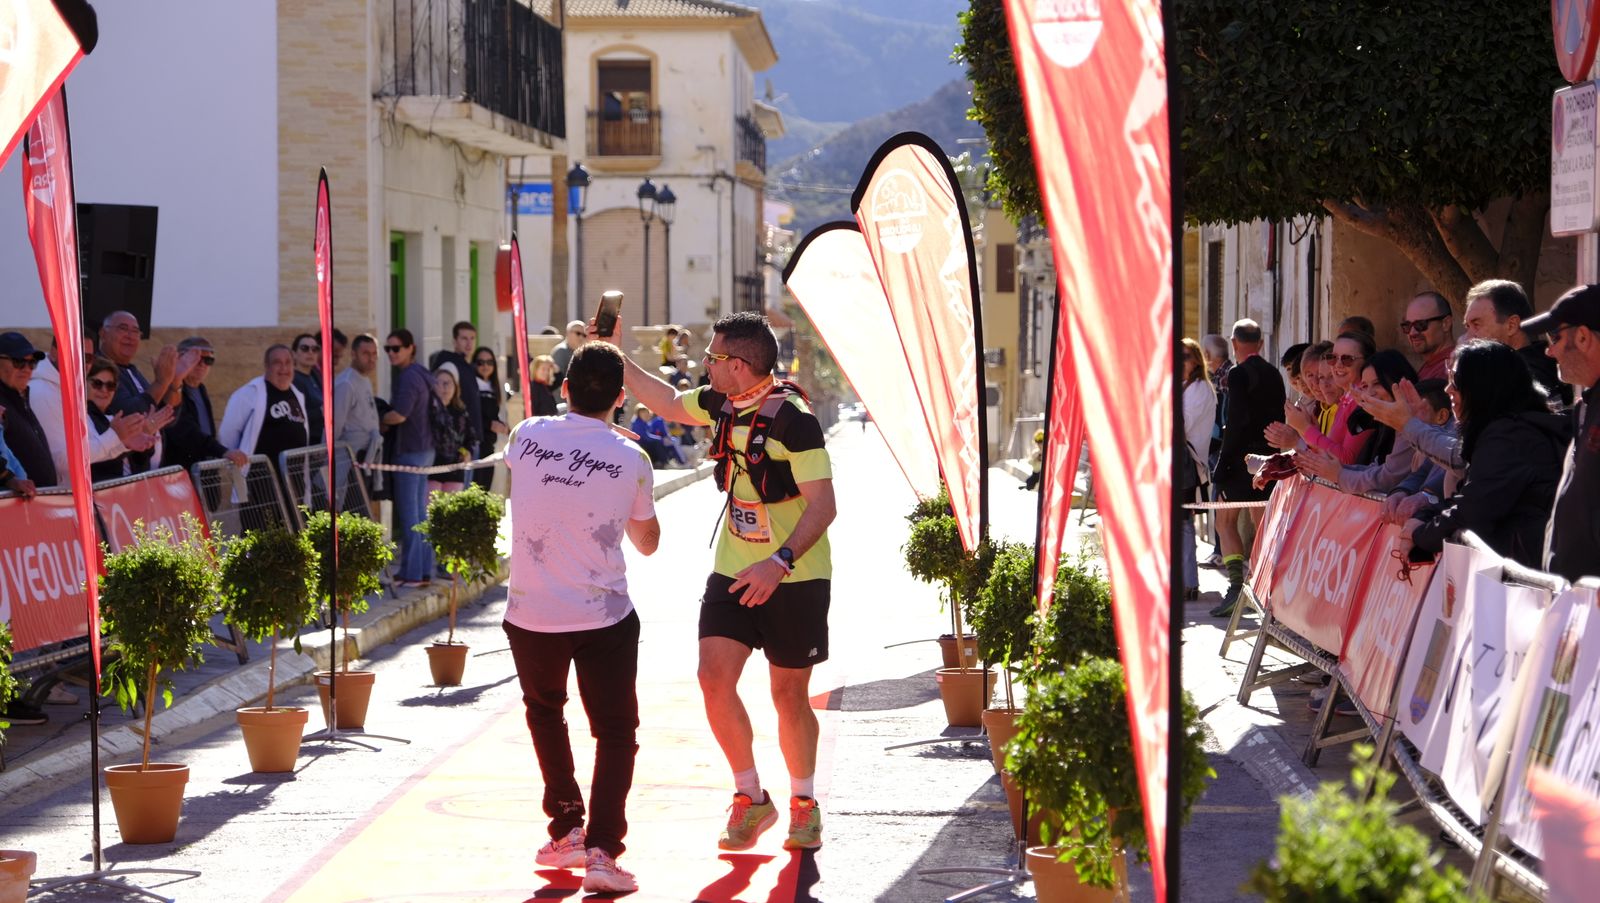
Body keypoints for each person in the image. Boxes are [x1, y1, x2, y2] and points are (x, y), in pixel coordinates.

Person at [605, 310, 836, 852]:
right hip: (733, 568)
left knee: (788, 695)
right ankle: (750, 797)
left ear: (738, 365)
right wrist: (616, 354)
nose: (704, 364)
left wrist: (778, 562)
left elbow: (824, 506)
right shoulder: (721, 402)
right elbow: (666, 400)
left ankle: (804, 804)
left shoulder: (795, 419)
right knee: (713, 678)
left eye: (713, 358)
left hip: (795, 575)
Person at [502, 342, 658, 894]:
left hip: (532, 611)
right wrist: (623, 466)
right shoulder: (632, 458)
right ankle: (602, 851)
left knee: (545, 713)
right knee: (615, 731)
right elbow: (648, 543)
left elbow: (530, 465)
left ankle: (567, 828)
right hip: (603, 614)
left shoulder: (525, 435)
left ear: (564, 388)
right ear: (622, 396)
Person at [1403, 340, 1568, 568]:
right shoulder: (1505, 430)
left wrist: (1419, 535)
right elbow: (1470, 496)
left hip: (1534, 574)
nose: (1448, 389)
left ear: (1482, 386)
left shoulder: (1510, 436)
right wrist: (1422, 519)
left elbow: (1473, 513)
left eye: (1456, 381)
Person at [1521, 284, 1600, 582]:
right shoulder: (1587, 404)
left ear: (1583, 337)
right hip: (1574, 597)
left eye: (1555, 337)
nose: (1549, 350)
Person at [1209, 319, 1285, 618]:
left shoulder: (1238, 374)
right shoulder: (1274, 373)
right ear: (1261, 343)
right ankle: (1261, 587)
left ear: (1234, 343)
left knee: (1224, 522)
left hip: (1242, 460)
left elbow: (1236, 421)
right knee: (1262, 523)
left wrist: (1223, 465)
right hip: (1269, 460)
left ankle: (1236, 588)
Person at [32, 333, 158, 480]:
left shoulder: (69, 390)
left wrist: (122, 443)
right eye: (77, 355)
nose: (83, 363)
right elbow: (61, 461)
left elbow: (89, 450)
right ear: (55, 352)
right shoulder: (42, 392)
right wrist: (114, 436)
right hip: (62, 492)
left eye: (88, 358)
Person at [380, 329, 437, 587]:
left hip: (411, 452)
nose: (391, 353)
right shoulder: (421, 373)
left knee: (411, 515)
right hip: (424, 450)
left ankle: (412, 573)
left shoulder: (409, 377)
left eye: (396, 348)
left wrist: (378, 419)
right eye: (388, 349)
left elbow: (400, 415)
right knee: (420, 515)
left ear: (410, 348)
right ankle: (421, 571)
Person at [101, 310, 190, 473]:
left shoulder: (132, 370)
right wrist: (162, 382)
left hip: (146, 472)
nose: (130, 336)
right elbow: (129, 413)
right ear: (103, 333)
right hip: (119, 473)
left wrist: (174, 383)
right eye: (123, 328)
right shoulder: (100, 371)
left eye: (135, 331)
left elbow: (168, 418)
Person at [1461, 279, 1571, 408]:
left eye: (1477, 324)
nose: (1468, 338)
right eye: (1467, 326)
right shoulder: (1511, 374)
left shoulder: (1521, 380)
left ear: (1511, 325)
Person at [218, 344, 311, 483]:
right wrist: (238, 464)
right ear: (267, 366)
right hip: (261, 485)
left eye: (288, 363)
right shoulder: (248, 393)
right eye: (277, 363)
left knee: (302, 500)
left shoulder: (298, 395)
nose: (284, 368)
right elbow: (227, 434)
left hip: (295, 482)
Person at [162, 337, 247, 472]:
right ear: (180, 358)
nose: (202, 364)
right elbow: (185, 431)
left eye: (208, 360)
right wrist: (222, 451)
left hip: (204, 468)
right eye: (196, 358)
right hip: (181, 470)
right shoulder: (171, 390)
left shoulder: (200, 389)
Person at [1181, 338, 1216, 601]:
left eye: (1184, 356)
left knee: (1182, 522)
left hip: (1186, 461)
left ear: (1195, 360)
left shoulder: (1199, 389)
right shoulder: (1185, 386)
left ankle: (1188, 582)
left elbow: (1180, 425)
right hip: (1179, 460)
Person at [429, 321, 485, 484]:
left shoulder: (468, 366)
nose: (469, 343)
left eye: (472, 338)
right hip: (454, 446)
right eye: (464, 338)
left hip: (470, 441)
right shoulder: (448, 362)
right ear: (454, 341)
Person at [0, 333, 58, 488]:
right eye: (18, 362)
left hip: (37, 500)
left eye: (32, 363)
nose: (26, 369)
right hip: (14, 501)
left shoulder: (21, 399)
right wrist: (9, 480)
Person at [333, 334, 383, 463]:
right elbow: (334, 425)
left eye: (374, 353)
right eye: (366, 353)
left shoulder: (365, 379)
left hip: (368, 455)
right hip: (350, 458)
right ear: (353, 354)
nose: (371, 358)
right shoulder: (346, 383)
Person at [427, 366, 476, 495]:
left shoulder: (461, 412)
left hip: (455, 472)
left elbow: (470, 439)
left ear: (455, 387)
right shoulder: (427, 411)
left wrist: (467, 452)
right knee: (431, 506)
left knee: (451, 507)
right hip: (432, 471)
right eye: (439, 383)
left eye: (448, 383)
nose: (444, 387)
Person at [470, 347, 508, 491]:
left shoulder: (494, 387)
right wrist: (489, 424)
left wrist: (502, 426)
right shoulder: (472, 385)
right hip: (475, 444)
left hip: (489, 445)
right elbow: (472, 415)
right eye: (480, 362)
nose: (485, 366)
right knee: (475, 488)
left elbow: (492, 414)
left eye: (489, 362)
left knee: (485, 488)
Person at [1401, 291, 1457, 381]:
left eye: (1420, 324)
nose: (1412, 333)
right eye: (1408, 326)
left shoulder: (1451, 369)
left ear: (1446, 324)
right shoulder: (1433, 365)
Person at [290, 332, 326, 444]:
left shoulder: (315, 374)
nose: (310, 352)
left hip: (322, 439)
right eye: (304, 348)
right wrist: (321, 411)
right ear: (294, 354)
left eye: (315, 349)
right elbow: (295, 416)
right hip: (307, 442)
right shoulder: (292, 380)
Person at [551, 319, 587, 385]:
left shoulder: (583, 352)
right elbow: (557, 380)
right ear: (568, 333)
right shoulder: (561, 351)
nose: (581, 337)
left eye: (584, 335)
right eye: (578, 333)